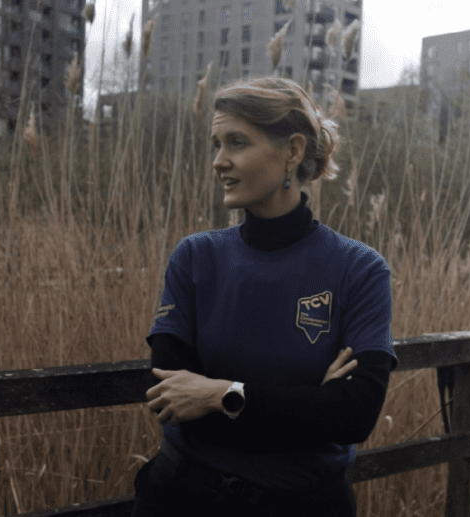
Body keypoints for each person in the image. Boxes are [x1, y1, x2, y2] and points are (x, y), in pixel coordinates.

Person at [132, 77, 396, 517]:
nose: (219, 161)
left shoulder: (358, 269)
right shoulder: (195, 258)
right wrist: (309, 406)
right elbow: (170, 397)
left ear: (292, 151)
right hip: (184, 499)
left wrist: (220, 393)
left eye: (236, 142)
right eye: (216, 143)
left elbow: (354, 416)